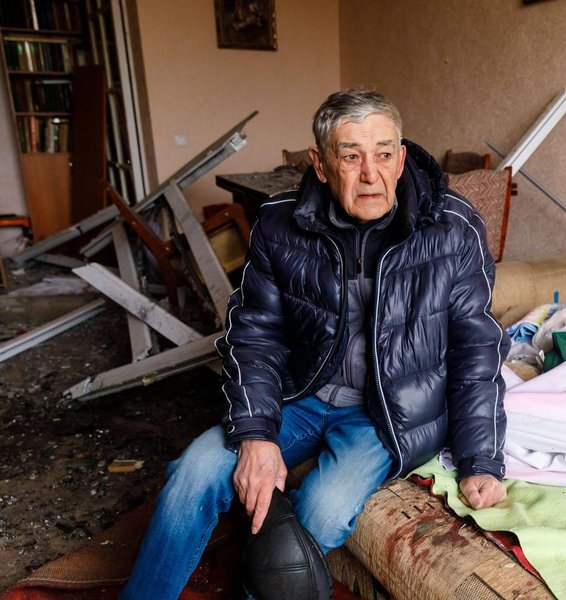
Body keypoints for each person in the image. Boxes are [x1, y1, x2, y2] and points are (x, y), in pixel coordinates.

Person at [120, 89, 510, 599]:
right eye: (350, 156)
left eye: (384, 154)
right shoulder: (280, 221)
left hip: (385, 412)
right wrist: (256, 435)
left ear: (401, 159)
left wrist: (482, 460)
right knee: (193, 474)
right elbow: (254, 334)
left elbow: (476, 348)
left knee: (323, 513)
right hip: (300, 393)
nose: (370, 174)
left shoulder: (453, 226)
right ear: (321, 165)